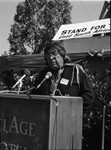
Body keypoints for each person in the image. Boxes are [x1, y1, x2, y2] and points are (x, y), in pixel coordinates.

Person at [30, 41, 94, 108]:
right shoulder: (42, 74)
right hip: (45, 115)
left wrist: (70, 106)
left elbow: (89, 96)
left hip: (69, 115)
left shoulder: (75, 71)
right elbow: (35, 95)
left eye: (54, 53)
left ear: (62, 55)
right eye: (48, 55)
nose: (51, 57)